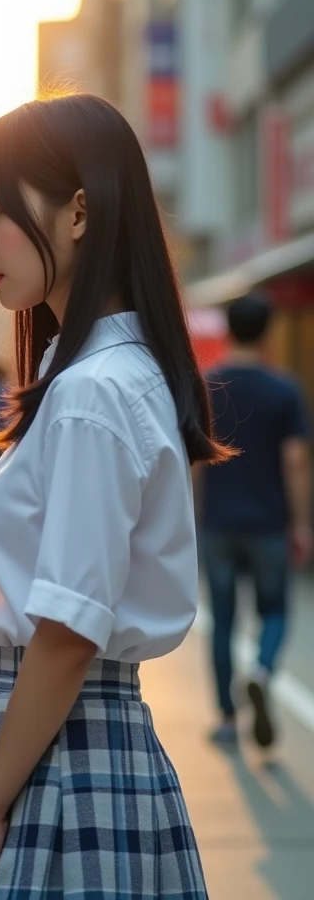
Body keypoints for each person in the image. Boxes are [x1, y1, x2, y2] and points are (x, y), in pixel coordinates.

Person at [0, 93, 230, 900]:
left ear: (77, 213)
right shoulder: (104, 376)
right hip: (81, 742)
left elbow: (68, 630)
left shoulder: (91, 393)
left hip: (60, 757)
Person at [197, 293, 312, 749]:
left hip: (218, 523)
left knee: (222, 620)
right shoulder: (284, 390)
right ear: (267, 332)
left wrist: (191, 517)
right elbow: (296, 461)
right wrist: (300, 523)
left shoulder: (207, 387)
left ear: (228, 328)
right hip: (267, 523)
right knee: (276, 610)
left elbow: (194, 461)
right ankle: (262, 670)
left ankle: (227, 717)